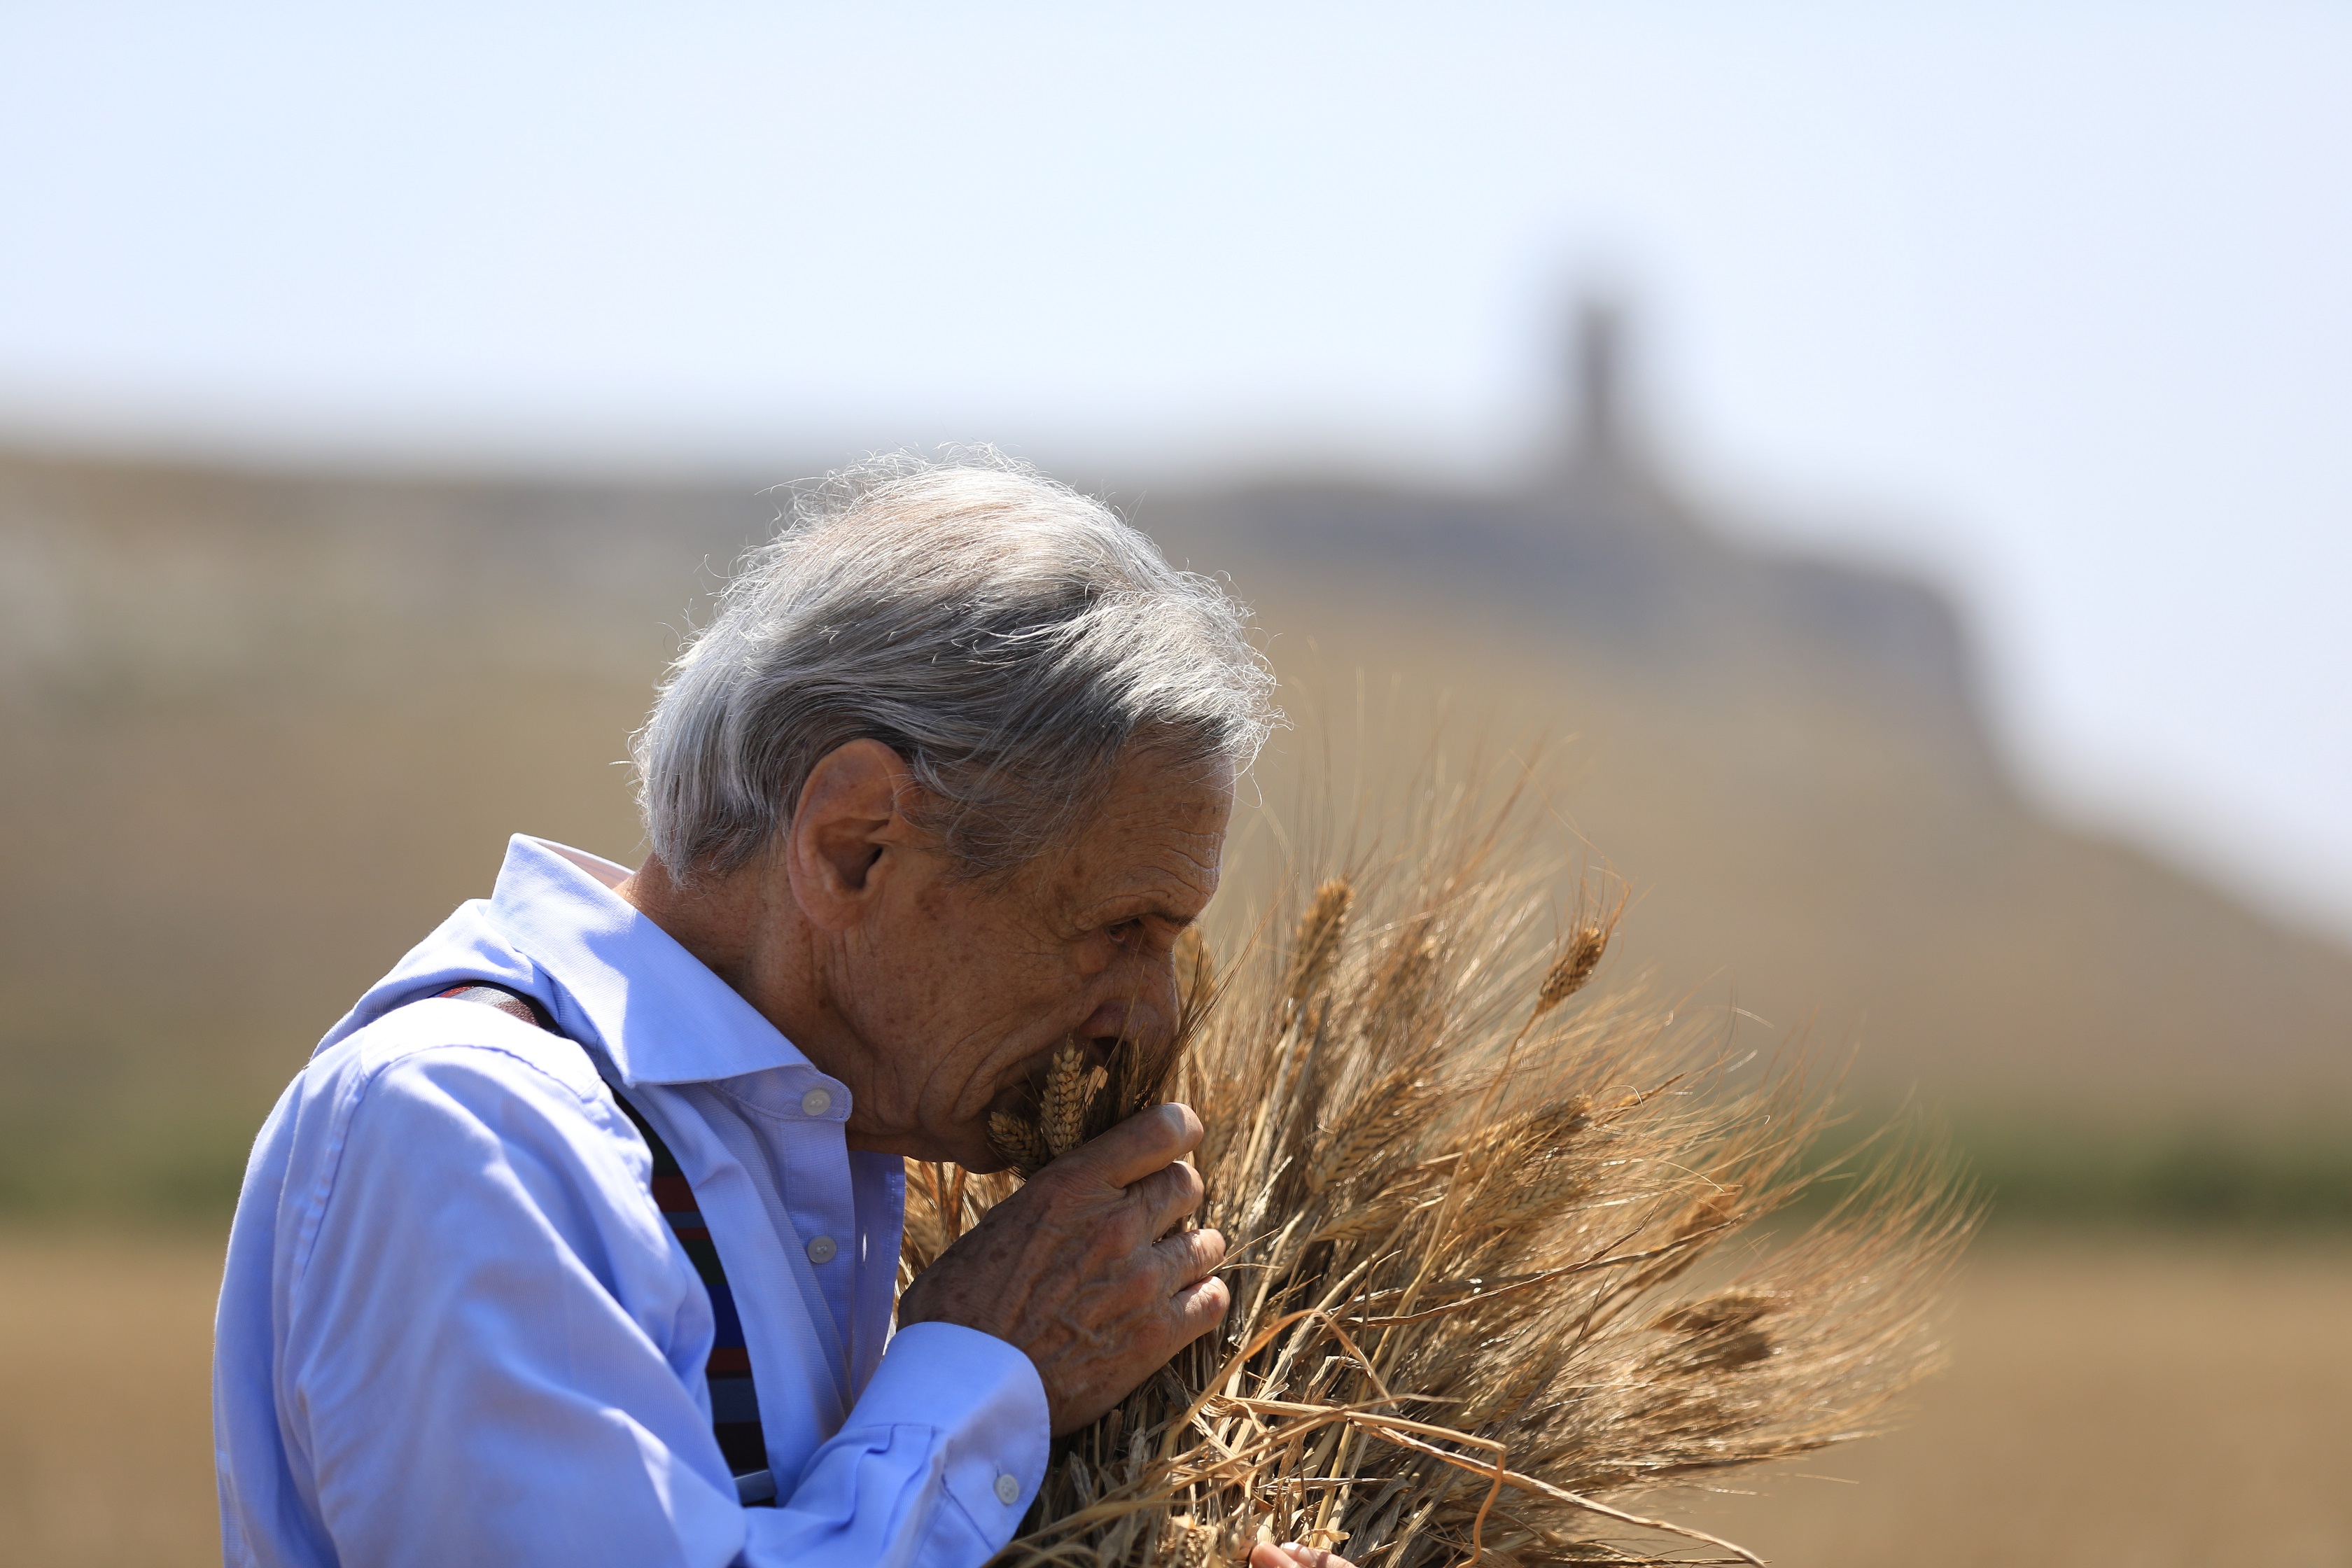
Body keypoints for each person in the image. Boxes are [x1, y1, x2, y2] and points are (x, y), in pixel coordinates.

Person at [211, 454, 1353, 1568]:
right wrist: (979, 1373)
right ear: (853, 845)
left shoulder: (830, 1135)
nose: (1151, 1019)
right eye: (1119, 928)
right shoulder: (470, 1134)